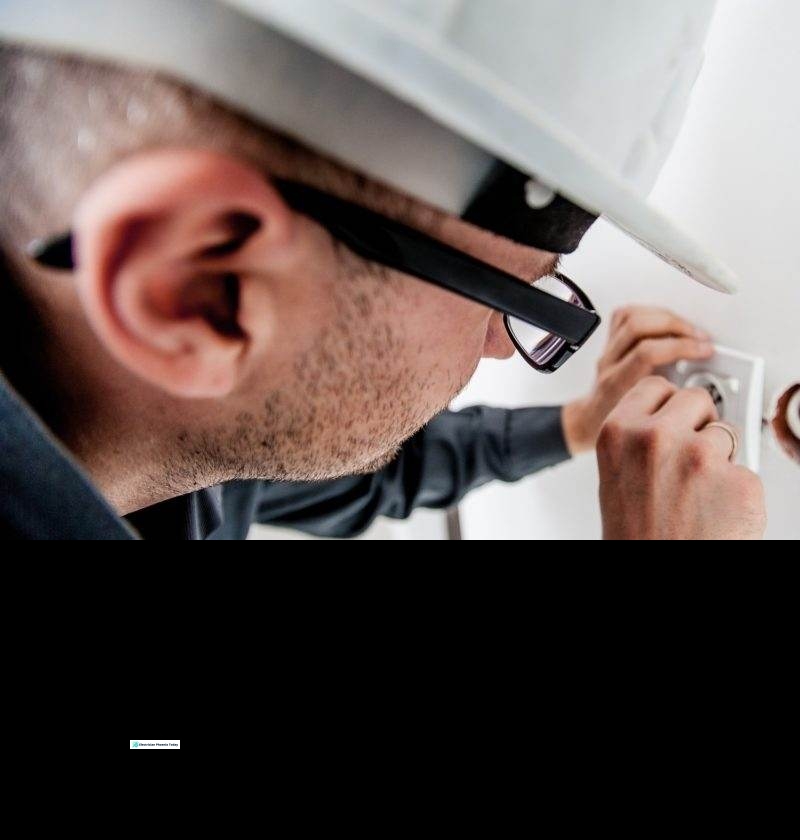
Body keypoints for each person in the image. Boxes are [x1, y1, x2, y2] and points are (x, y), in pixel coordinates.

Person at [0, 0, 765, 539]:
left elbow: (358, 470)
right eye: (512, 296)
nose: (503, 345)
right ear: (199, 290)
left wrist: (577, 423)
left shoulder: (167, 434)